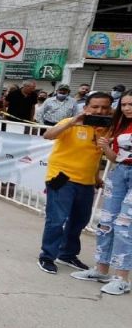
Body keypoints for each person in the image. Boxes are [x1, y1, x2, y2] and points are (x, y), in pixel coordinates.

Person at [37, 91, 112, 274]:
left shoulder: (107, 129)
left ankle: (67, 254)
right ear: (86, 107)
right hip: (62, 178)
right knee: (57, 219)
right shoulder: (70, 123)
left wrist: (96, 177)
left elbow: (94, 156)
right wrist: (71, 123)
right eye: (95, 107)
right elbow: (48, 135)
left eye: (105, 107)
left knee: (79, 220)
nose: (100, 111)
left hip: (86, 182)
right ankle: (47, 256)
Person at [72, 91, 132, 295]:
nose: (126, 108)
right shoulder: (119, 125)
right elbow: (116, 158)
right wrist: (105, 147)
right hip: (120, 173)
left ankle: (122, 278)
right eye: (123, 104)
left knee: (125, 225)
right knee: (106, 222)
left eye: (130, 104)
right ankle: (101, 269)